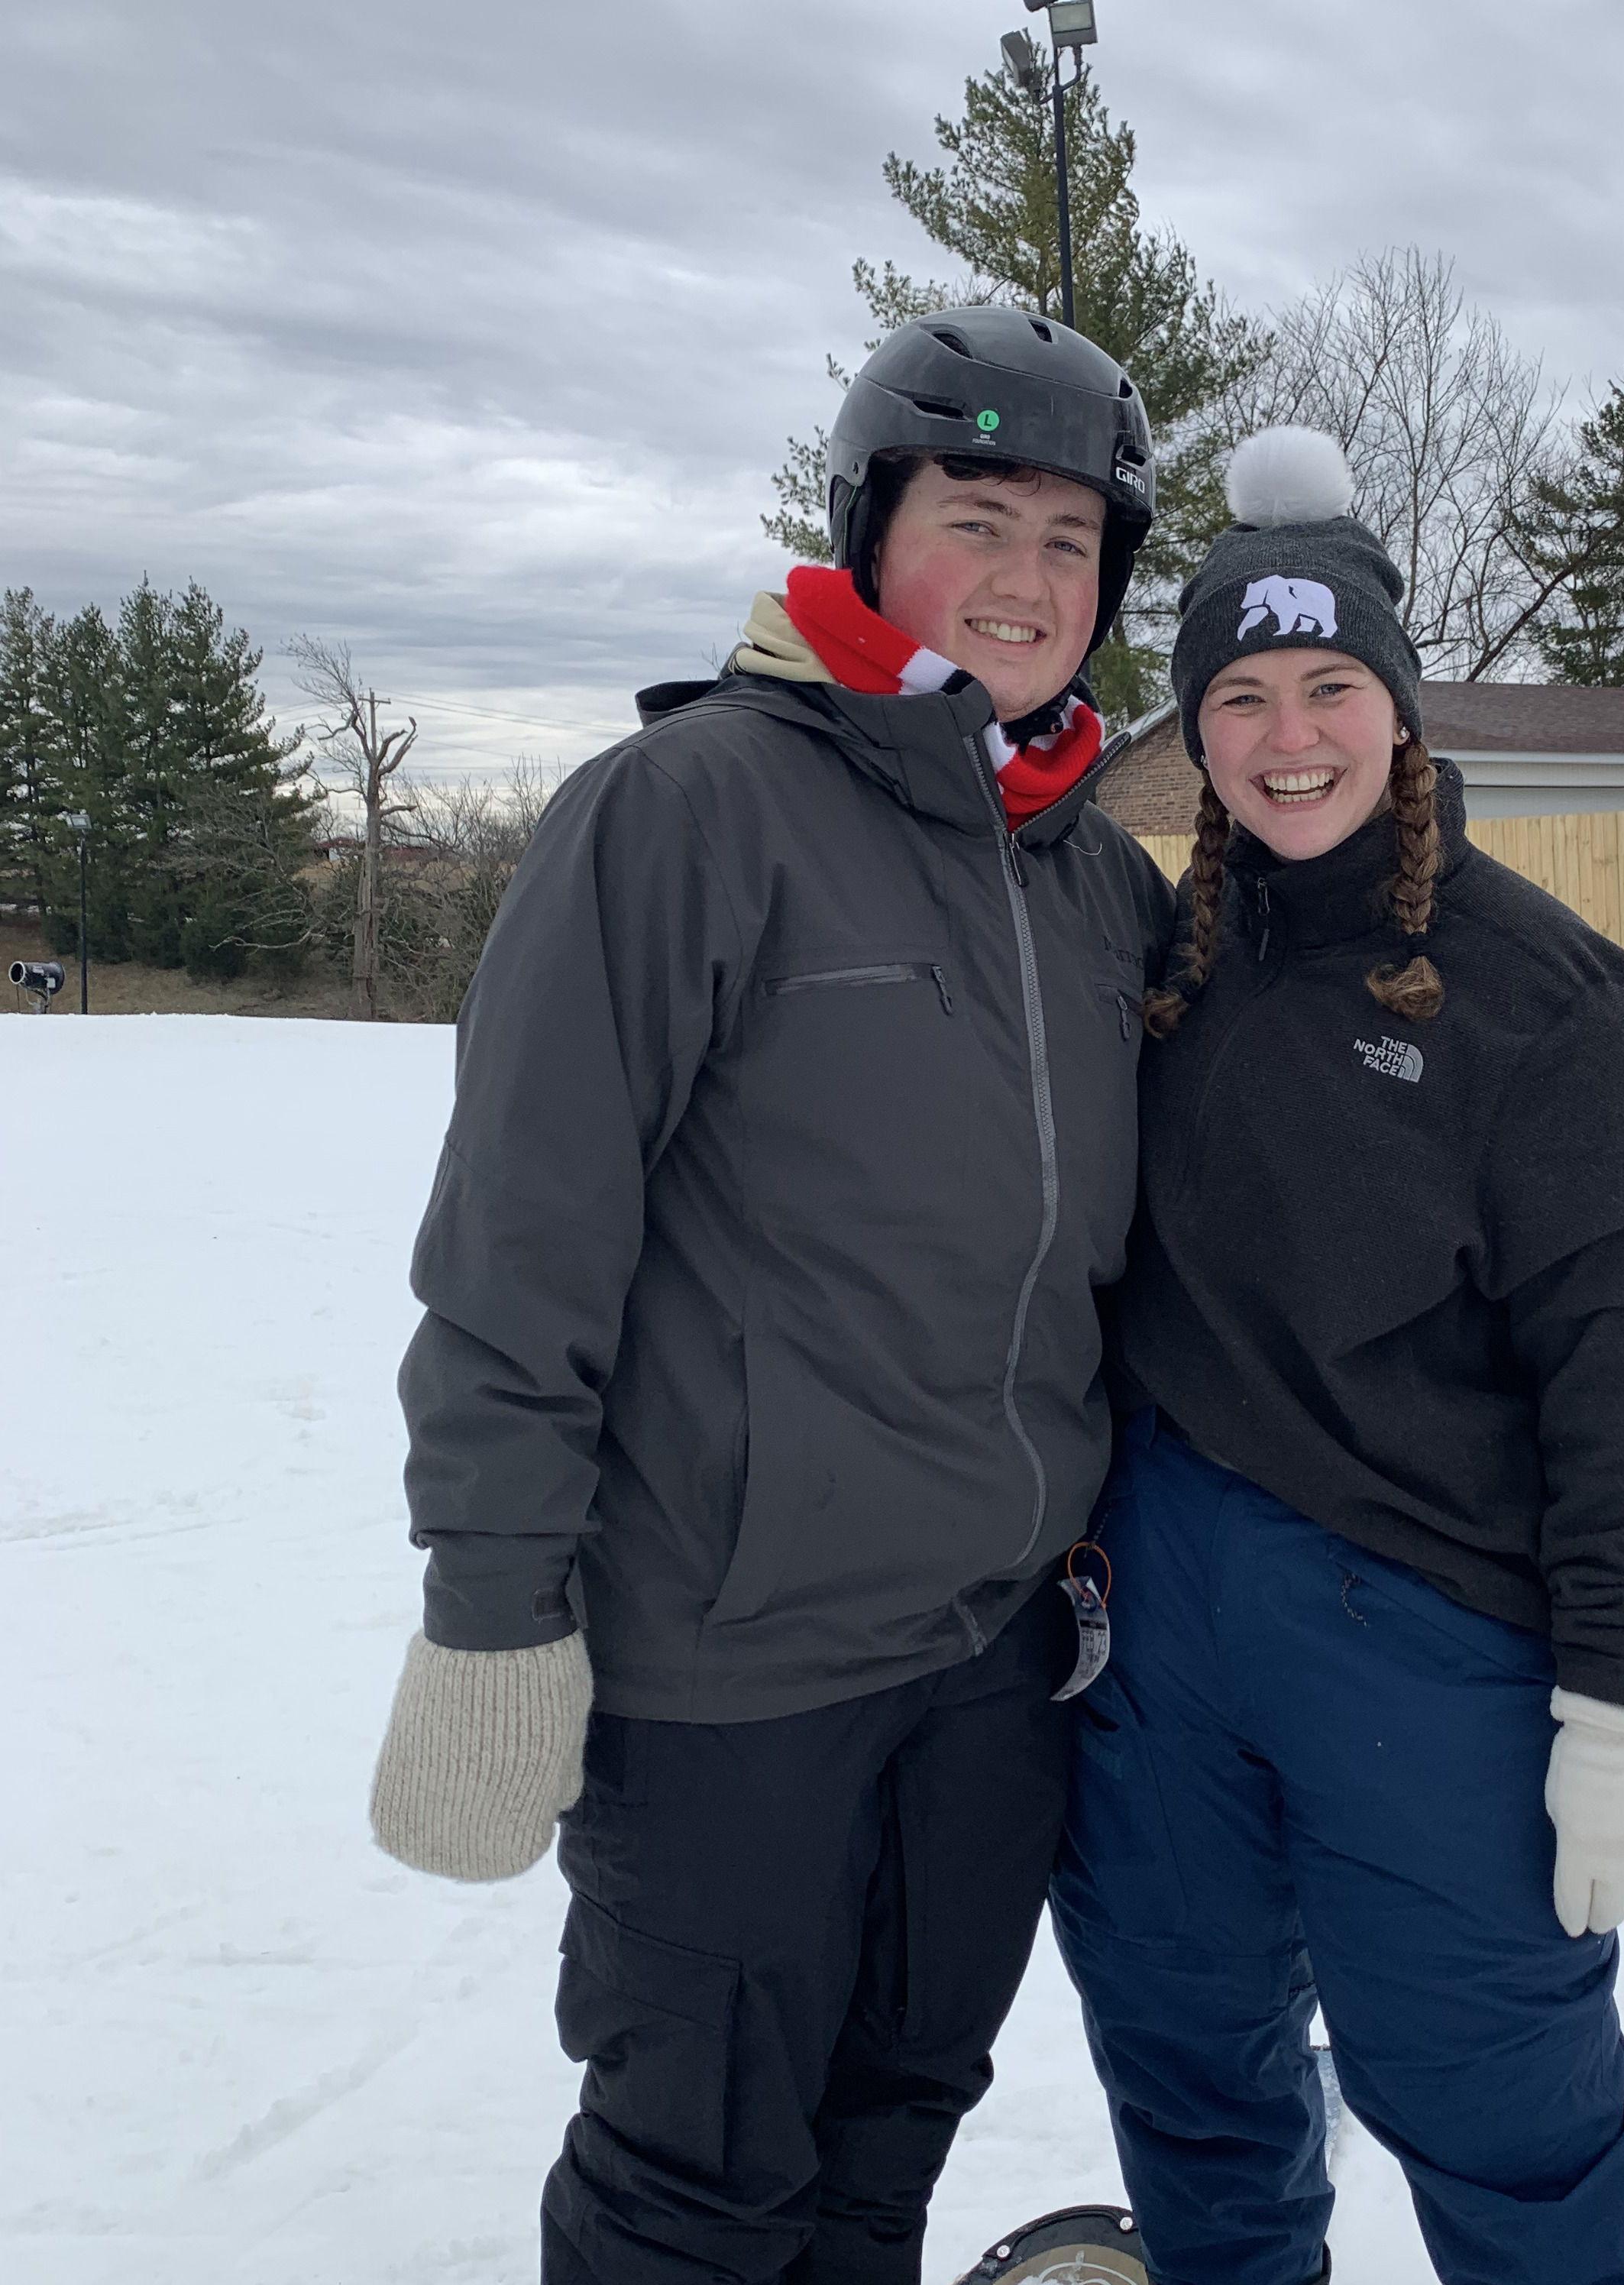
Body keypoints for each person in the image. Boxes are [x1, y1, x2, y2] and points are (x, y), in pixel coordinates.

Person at [364, 307, 1174, 2285]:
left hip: (994, 1667)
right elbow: (517, 1249)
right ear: (873, 527)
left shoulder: (1097, 882)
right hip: (729, 1675)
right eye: (977, 518)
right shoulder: (689, 813)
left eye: (1071, 544)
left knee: (889, 2134)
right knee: (695, 2188)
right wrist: (491, 1620)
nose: (1024, 580)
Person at [1049, 429, 1624, 2285]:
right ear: (1192, 730)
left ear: (1398, 708)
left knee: (1509, 2128)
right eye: (1242, 693)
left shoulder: (1544, 998)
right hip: (1151, 1618)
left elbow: (1621, 1382)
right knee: (1191, 2077)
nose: (1289, 734)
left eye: (1331, 685)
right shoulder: (1159, 956)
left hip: (1422, 1630)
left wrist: (1621, 1707)